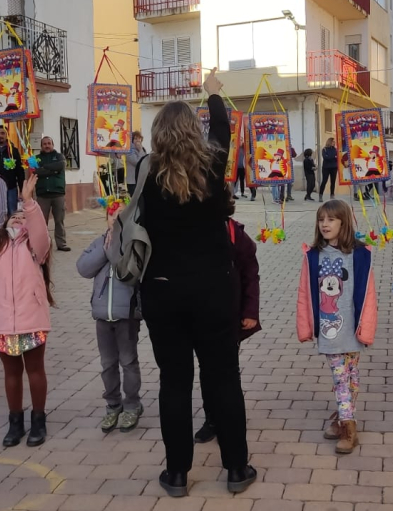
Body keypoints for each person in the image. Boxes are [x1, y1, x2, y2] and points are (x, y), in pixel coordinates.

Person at [139, 69, 256, 497]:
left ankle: (176, 474)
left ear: (157, 135)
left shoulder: (146, 176)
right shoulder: (211, 167)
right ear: (193, 133)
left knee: (174, 381)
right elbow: (222, 129)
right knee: (223, 377)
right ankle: (237, 469)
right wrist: (212, 94)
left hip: (163, 291)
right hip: (212, 290)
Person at [0, 175, 55, 447]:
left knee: (35, 370)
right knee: (11, 373)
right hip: (2, 321)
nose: (18, 219)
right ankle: (15, 422)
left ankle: (38, 420)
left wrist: (29, 202)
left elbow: (42, 235)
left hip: (31, 318)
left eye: (23, 217)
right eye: (14, 216)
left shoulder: (35, 248)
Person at [296, 200, 378, 455]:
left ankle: (343, 418)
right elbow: (304, 294)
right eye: (321, 219)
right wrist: (306, 326)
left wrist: (367, 327)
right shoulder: (313, 256)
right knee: (340, 377)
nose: (325, 224)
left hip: (353, 327)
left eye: (331, 219)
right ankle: (348, 426)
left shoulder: (360, 254)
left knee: (350, 377)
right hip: (330, 327)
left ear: (344, 222)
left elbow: (369, 295)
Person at [195, 196, 261, 444]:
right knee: (206, 370)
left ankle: (229, 418)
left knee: (226, 370)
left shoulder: (234, 233)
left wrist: (250, 311)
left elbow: (250, 274)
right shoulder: (191, 230)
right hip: (199, 314)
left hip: (229, 315)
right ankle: (211, 418)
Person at [78, 206, 144, 435]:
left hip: (126, 314)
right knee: (107, 364)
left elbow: (132, 269)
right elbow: (83, 268)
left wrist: (114, 247)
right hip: (102, 315)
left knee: (128, 361)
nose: (114, 221)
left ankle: (132, 404)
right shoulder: (99, 242)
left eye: (119, 218)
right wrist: (104, 249)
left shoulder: (132, 244)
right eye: (111, 216)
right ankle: (113, 404)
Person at [36, 136, 70, 251]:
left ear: (53, 144)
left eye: (49, 143)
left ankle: (61, 244)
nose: (47, 145)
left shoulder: (59, 157)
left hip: (58, 194)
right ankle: (42, 244)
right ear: (41, 146)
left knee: (59, 221)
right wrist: (53, 170)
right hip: (42, 195)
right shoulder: (37, 159)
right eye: (44, 144)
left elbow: (60, 165)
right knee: (41, 222)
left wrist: (44, 168)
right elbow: (36, 172)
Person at [0, 123, 25, 201]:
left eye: (3, 133)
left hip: (11, 187)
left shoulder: (14, 151)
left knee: (12, 211)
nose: (0, 136)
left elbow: (19, 171)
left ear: (7, 135)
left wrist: (22, 189)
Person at [125, 131, 148, 196]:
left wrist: (141, 150)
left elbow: (146, 161)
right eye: (135, 139)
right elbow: (138, 162)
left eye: (139, 138)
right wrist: (140, 150)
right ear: (132, 140)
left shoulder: (142, 149)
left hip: (141, 181)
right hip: (133, 182)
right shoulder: (129, 151)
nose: (138, 140)